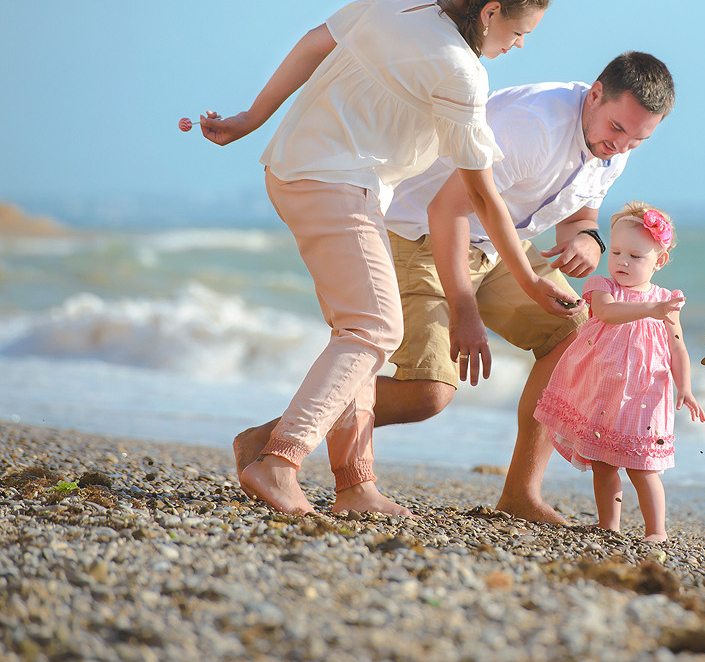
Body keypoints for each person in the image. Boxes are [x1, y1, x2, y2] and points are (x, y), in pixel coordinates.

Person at [181, 0, 578, 516]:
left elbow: (318, 41)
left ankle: (355, 486)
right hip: (338, 185)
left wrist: (252, 118)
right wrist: (531, 283)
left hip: (297, 168)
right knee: (374, 329)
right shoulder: (463, 73)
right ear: (491, 13)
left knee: (359, 330)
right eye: (519, 32)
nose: (519, 46)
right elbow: (484, 198)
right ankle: (278, 460)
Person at [232, 52, 676, 525]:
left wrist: (587, 239)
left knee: (573, 335)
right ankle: (274, 438)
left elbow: (577, 216)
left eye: (637, 139)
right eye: (617, 128)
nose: (622, 145)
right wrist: (464, 308)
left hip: (498, 245)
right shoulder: (533, 125)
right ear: (594, 95)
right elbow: (449, 211)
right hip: (420, 237)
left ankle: (521, 494)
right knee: (429, 393)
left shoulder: (611, 148)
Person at [533, 202, 705, 542]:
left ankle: (656, 531)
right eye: (616, 252)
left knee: (644, 467)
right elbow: (607, 314)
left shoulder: (666, 300)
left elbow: (677, 347)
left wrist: (684, 386)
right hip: (603, 388)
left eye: (636, 256)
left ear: (659, 261)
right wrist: (650, 309)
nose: (623, 262)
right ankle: (608, 523)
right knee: (603, 461)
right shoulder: (603, 286)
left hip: (646, 393)